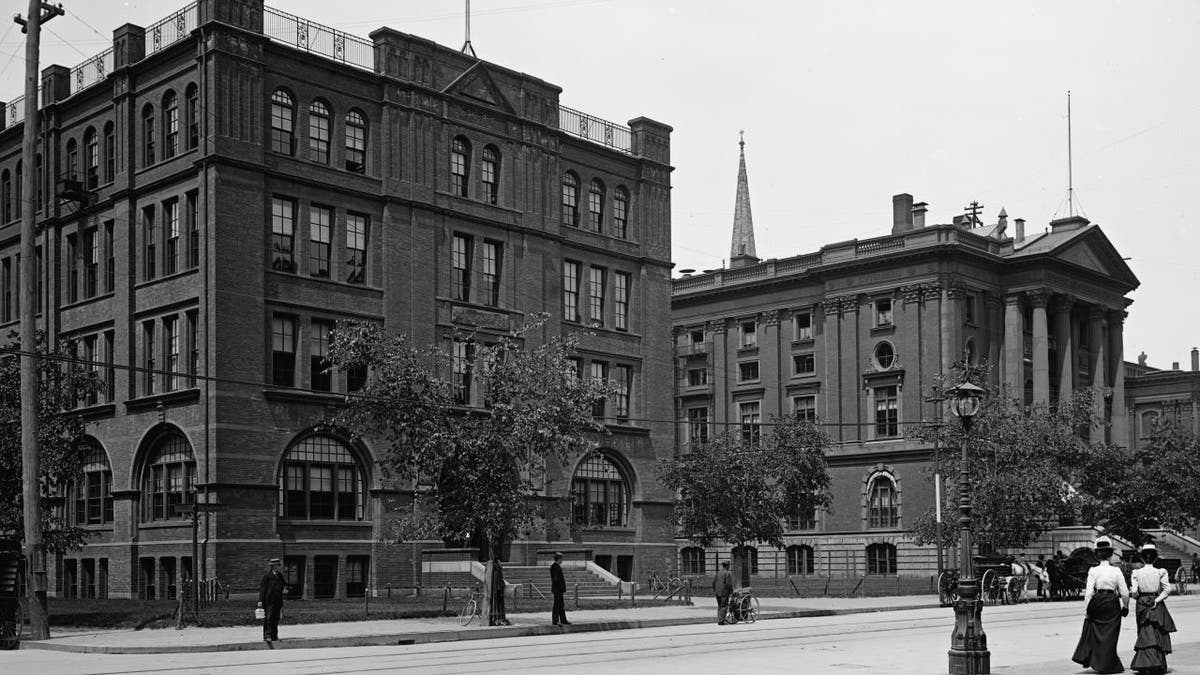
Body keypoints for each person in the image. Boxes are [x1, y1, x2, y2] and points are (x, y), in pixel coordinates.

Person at [1072, 537, 1130, 674]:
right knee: (1111, 635)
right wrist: (1126, 607)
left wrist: (1087, 610)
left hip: (1097, 600)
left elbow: (1089, 593)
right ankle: (1108, 663)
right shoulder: (1116, 571)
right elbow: (1125, 593)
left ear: (1097, 554)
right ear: (1111, 554)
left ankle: (1100, 662)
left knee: (1098, 633)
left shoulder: (1093, 570)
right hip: (1111, 601)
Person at [1129, 544, 1176, 675]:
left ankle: (1146, 662)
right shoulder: (1161, 571)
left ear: (1142, 558)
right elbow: (1167, 589)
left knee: (1143, 630)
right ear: (1155, 557)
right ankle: (1158, 663)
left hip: (1142, 603)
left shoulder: (1136, 573)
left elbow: (1134, 592)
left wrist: (1138, 596)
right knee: (1156, 631)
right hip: (1156, 602)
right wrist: (1156, 600)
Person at [257, 558, 287, 643]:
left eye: (278, 565)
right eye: (276, 565)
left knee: (276, 618)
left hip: (278, 600)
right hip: (269, 601)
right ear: (272, 566)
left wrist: (285, 589)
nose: (277, 567)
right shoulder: (267, 576)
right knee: (268, 618)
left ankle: (274, 636)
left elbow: (284, 585)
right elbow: (262, 589)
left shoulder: (280, 576)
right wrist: (260, 600)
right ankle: (267, 636)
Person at [550, 552, 569, 626]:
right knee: (557, 605)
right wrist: (559, 587)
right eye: (561, 558)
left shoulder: (557, 566)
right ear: (559, 559)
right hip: (557, 589)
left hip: (559, 590)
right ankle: (555, 620)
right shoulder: (554, 567)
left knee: (561, 605)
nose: (562, 560)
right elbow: (556, 579)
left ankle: (563, 620)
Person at [713, 561, 734, 625]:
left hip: (717, 591)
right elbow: (728, 584)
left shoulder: (718, 573)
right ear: (727, 566)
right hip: (724, 592)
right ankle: (721, 621)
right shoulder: (727, 573)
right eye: (729, 565)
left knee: (719, 606)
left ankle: (719, 619)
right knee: (724, 606)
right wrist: (731, 591)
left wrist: (715, 590)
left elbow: (714, 582)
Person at [489, 559, 509, 626]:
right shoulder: (496, 571)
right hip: (496, 590)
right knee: (497, 604)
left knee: (499, 604)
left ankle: (498, 619)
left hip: (498, 590)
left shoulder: (498, 571)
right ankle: (497, 618)